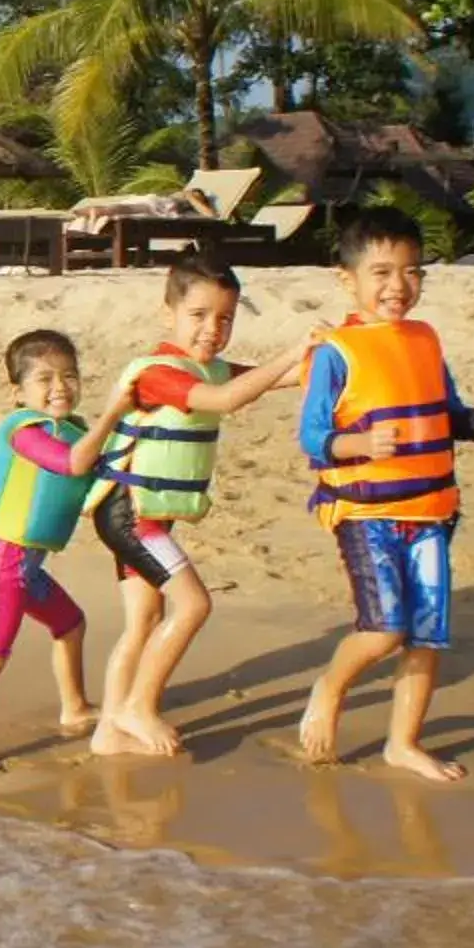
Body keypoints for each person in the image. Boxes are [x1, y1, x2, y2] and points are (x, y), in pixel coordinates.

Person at [293, 206, 474, 782]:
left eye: (411, 272)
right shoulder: (335, 351)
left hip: (431, 512)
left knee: (426, 637)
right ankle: (329, 688)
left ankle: (403, 743)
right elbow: (312, 437)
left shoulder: (425, 340)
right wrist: (361, 445)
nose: (398, 286)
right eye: (381, 272)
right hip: (365, 513)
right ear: (346, 279)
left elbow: (450, 416)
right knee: (384, 629)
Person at [85, 256, 311, 758]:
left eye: (225, 318)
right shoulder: (159, 374)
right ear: (169, 313)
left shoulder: (206, 367)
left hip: (144, 514)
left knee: (144, 620)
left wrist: (327, 357)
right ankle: (138, 707)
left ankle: (109, 732)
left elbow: (277, 379)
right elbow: (227, 399)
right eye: (199, 315)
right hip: (130, 515)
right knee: (194, 604)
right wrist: (292, 350)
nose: (213, 329)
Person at [0, 329, 136, 779]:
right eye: (44, 378)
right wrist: (113, 414)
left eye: (69, 375)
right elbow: (69, 464)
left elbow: (96, 472)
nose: (60, 387)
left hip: (28, 571)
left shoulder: (76, 430)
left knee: (70, 624)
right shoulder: (24, 431)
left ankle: (74, 707)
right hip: (4, 567)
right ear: (19, 392)